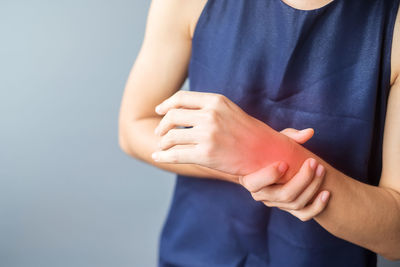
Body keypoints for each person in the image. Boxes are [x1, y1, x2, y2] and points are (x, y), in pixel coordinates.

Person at [118, 0, 400, 266]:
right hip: (198, 251)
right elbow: (134, 126)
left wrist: (270, 154)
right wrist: (249, 160)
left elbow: (395, 237)